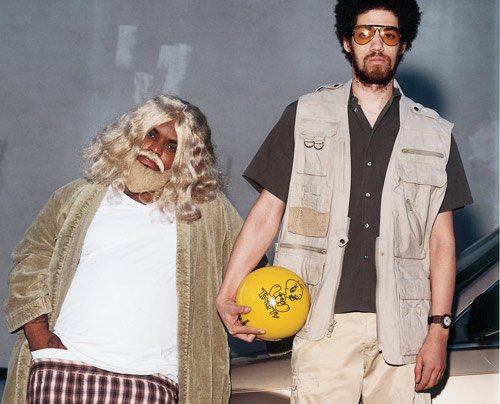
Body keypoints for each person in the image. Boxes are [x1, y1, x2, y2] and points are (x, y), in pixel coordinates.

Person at [216, 0, 472, 402]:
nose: (377, 45)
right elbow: (267, 212)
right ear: (346, 42)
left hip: (403, 332)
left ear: (403, 44)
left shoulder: (435, 134)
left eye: (389, 35)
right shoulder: (304, 116)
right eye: (364, 33)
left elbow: (441, 242)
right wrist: (227, 292)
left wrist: (438, 330)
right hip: (322, 325)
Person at [3, 95, 242, 404]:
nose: (156, 149)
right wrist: (39, 336)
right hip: (63, 367)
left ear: (186, 159)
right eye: (152, 134)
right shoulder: (79, 196)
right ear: (133, 133)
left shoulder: (206, 211)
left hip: (151, 380)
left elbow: (249, 264)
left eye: (172, 146)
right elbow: (29, 260)